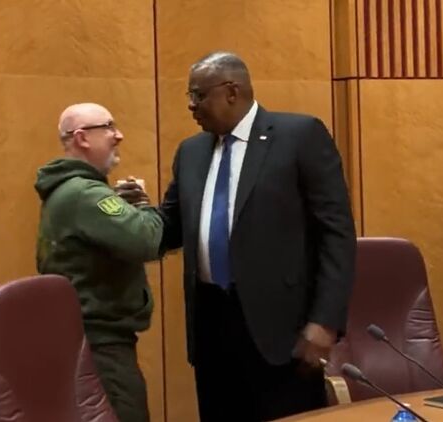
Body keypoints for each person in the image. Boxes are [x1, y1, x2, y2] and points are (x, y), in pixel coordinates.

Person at [119, 51, 356, 421]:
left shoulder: (299, 136)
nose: (191, 105)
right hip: (212, 324)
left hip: (282, 329)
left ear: (231, 91)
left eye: (198, 95)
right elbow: (173, 226)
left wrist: (325, 322)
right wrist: (132, 214)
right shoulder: (191, 152)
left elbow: (336, 233)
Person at [34, 102, 160, 422]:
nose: (118, 135)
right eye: (108, 127)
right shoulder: (85, 195)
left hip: (85, 342)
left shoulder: (66, 190)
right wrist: (144, 207)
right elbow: (146, 240)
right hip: (103, 349)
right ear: (82, 138)